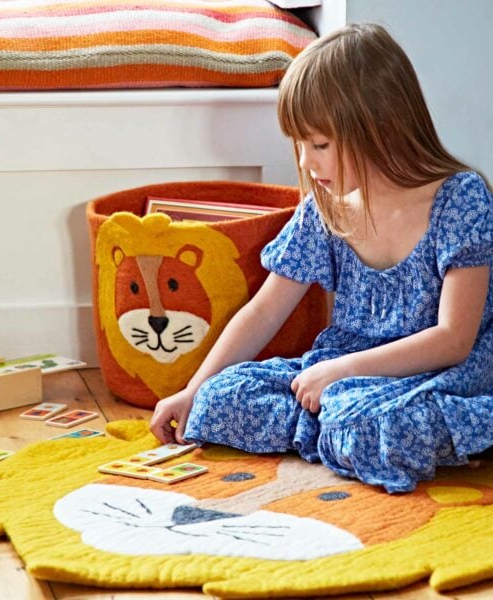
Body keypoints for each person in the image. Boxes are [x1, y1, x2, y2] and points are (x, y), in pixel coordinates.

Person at [149, 22, 493, 493]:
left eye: (321, 145)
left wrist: (340, 372)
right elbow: (265, 310)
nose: (307, 163)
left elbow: (454, 340)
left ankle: (357, 429)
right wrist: (194, 388)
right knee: (219, 399)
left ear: (381, 126)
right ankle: (336, 430)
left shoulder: (460, 199)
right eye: (300, 145)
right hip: (342, 374)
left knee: (375, 427)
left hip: (437, 375)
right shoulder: (325, 208)